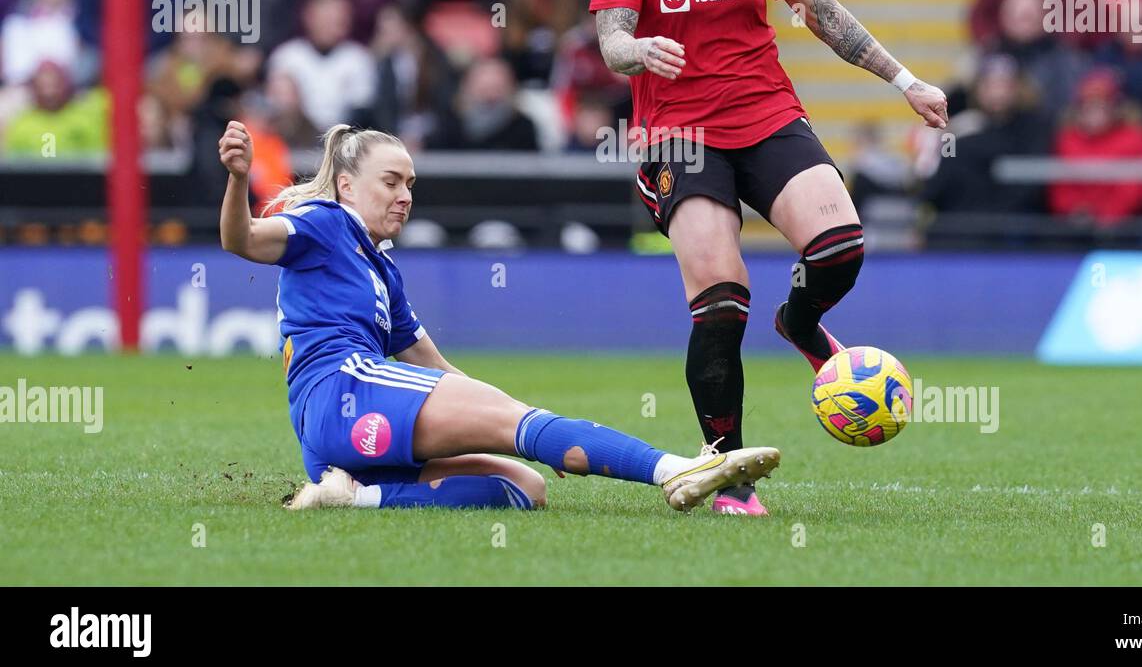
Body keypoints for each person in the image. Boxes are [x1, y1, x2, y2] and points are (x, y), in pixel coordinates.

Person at [590, 0, 948, 516]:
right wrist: (639, 51)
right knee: (722, 299)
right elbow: (610, 37)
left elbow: (816, 9)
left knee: (842, 244)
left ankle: (801, 321)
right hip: (678, 134)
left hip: (764, 112)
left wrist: (904, 79)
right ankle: (728, 470)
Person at [217, 121, 780, 512]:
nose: (405, 195)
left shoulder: (383, 272)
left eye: (411, 184)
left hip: (341, 433)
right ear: (346, 185)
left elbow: (433, 365)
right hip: (342, 390)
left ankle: (350, 496)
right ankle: (675, 470)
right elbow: (240, 239)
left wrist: (531, 430)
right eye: (390, 182)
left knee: (523, 484)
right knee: (518, 424)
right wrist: (240, 179)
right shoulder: (324, 220)